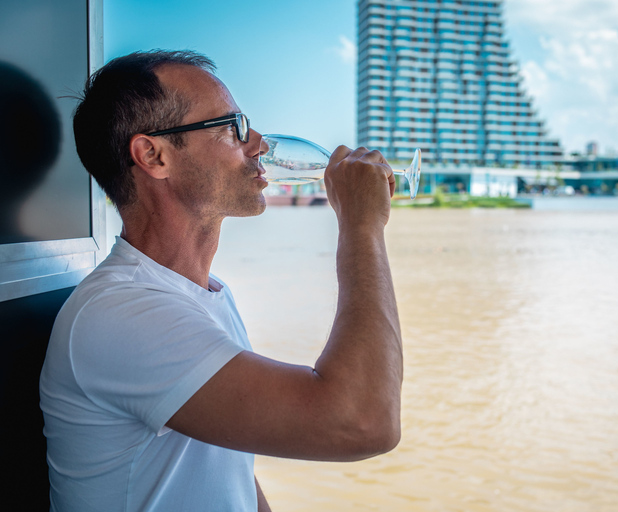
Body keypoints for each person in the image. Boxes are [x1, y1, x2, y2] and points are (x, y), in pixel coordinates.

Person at [39, 50, 403, 512]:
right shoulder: (122, 314)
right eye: (233, 127)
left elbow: (229, 471)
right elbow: (363, 421)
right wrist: (362, 226)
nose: (259, 145)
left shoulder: (202, 294)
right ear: (154, 155)